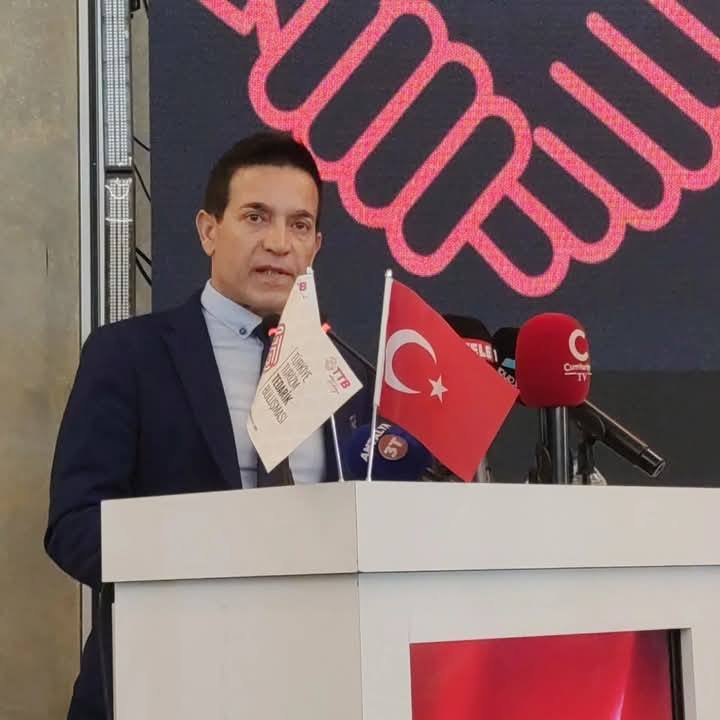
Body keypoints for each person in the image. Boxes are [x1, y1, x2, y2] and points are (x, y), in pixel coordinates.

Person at [45, 131, 372, 719]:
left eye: (299, 225)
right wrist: (208, 557)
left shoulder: (347, 376)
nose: (279, 243)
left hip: (316, 680)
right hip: (165, 678)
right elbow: (75, 525)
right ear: (208, 230)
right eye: (255, 217)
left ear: (316, 245)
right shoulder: (129, 355)